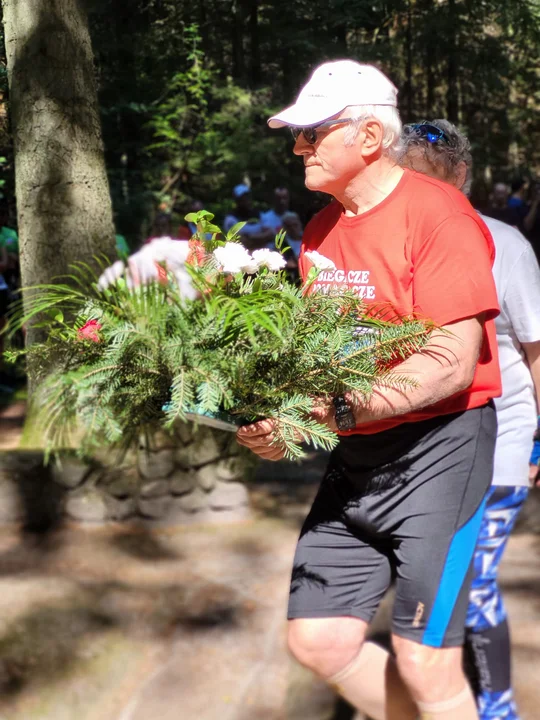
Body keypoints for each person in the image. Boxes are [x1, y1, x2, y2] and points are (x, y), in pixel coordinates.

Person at [236, 59, 502, 720]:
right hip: (357, 455)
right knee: (319, 639)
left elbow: (450, 359)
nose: (299, 147)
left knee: (425, 660)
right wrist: (286, 423)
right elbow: (321, 363)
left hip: (441, 451)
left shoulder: (439, 214)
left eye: (313, 133)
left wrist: (349, 408)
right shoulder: (320, 232)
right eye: (298, 135)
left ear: (369, 138)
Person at [400, 118, 540, 720]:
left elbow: (537, 352)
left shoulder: (504, 244)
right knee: (435, 591)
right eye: (409, 177)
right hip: (428, 456)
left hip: (502, 445)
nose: (418, 191)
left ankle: (498, 707)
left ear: (461, 177)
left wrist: (538, 448)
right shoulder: (397, 244)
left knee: (473, 584)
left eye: (431, 178)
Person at [223, 184, 274, 250]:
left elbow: (271, 235)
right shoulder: (230, 219)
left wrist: (250, 236)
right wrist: (262, 239)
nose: (246, 200)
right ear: (237, 200)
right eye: (243, 198)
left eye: (247, 196)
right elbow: (243, 242)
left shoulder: (259, 214)